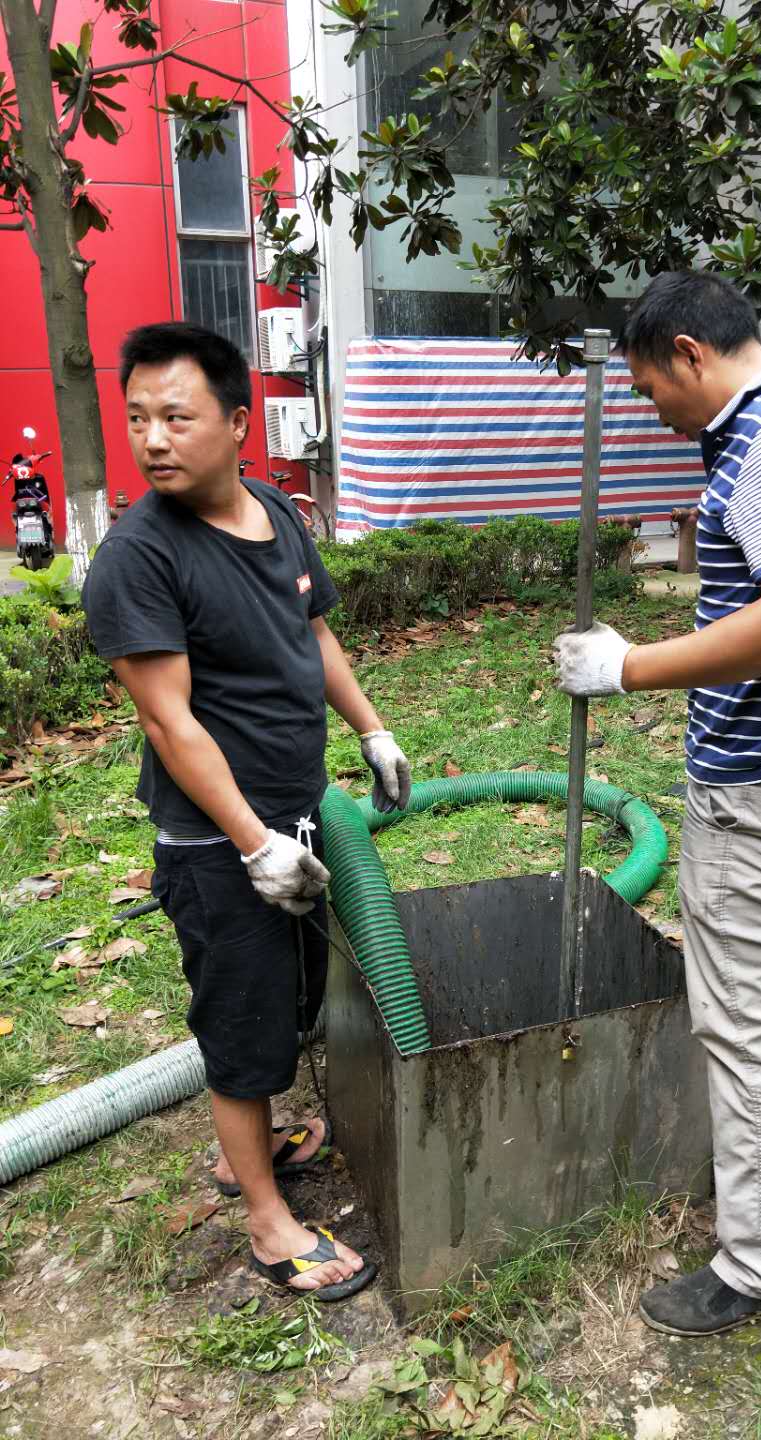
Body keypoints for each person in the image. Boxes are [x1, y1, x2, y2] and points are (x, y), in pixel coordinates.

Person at [553, 271, 761, 1337]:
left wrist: (631, 668)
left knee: (746, 1021)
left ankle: (758, 1266)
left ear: (695, 355)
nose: (656, 411)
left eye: (656, 388)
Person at [83, 322, 413, 1302]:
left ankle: (253, 1145)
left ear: (236, 423)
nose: (151, 438)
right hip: (217, 840)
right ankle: (269, 1224)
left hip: (295, 812)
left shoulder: (275, 510)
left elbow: (310, 637)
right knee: (244, 1023)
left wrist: (370, 730)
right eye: (137, 417)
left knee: (295, 1000)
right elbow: (170, 720)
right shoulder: (138, 560)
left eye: (175, 417)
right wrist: (252, 842)